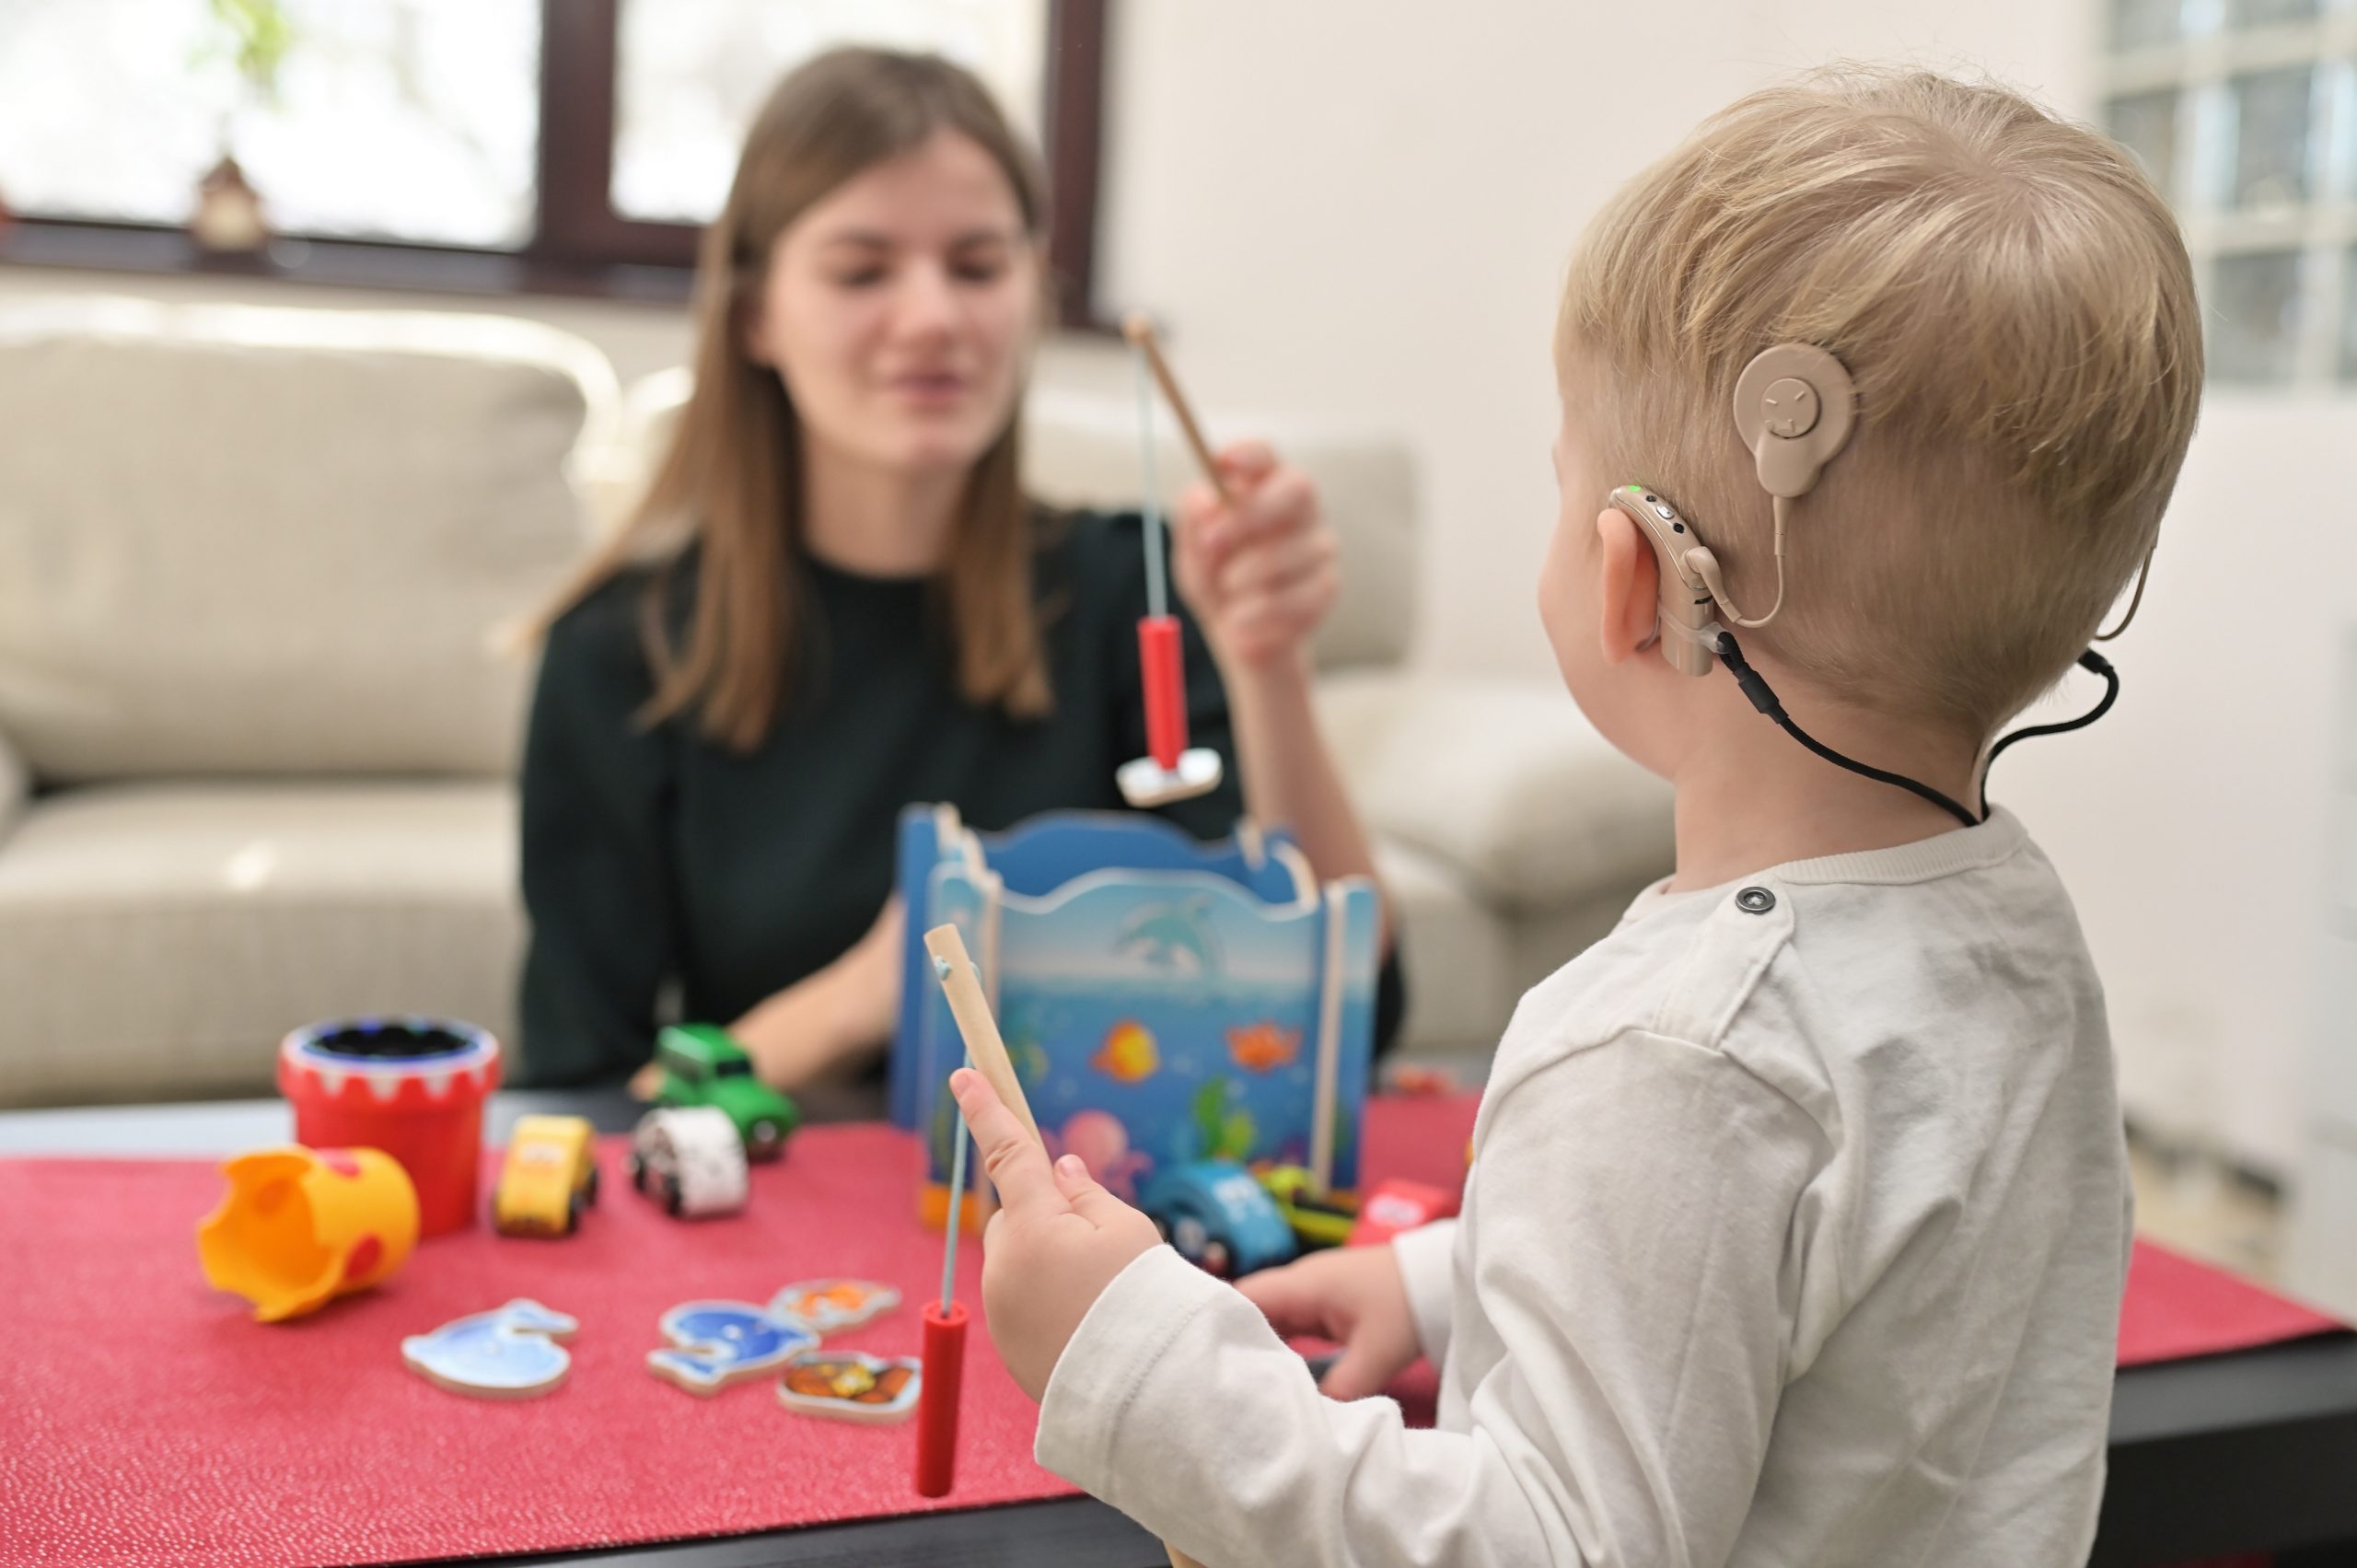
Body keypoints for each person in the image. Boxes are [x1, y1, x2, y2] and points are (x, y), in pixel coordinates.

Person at [948, 67, 2201, 1565]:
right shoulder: (2011, 926)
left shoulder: (1669, 1049)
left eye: (1559, 483)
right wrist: (1439, 1280)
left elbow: (1550, 1544)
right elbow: (1810, 1258)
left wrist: (1137, 1353)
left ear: (1631, 578)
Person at [517, 48, 1400, 1091]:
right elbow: (586, 1099)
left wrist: (1271, 667)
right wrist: (872, 987)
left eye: (979, 267)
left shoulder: (1137, 587)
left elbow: (1353, 1010)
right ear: (755, 314)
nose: (935, 317)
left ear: (1033, 294)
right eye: (861, 271)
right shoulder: (620, 650)